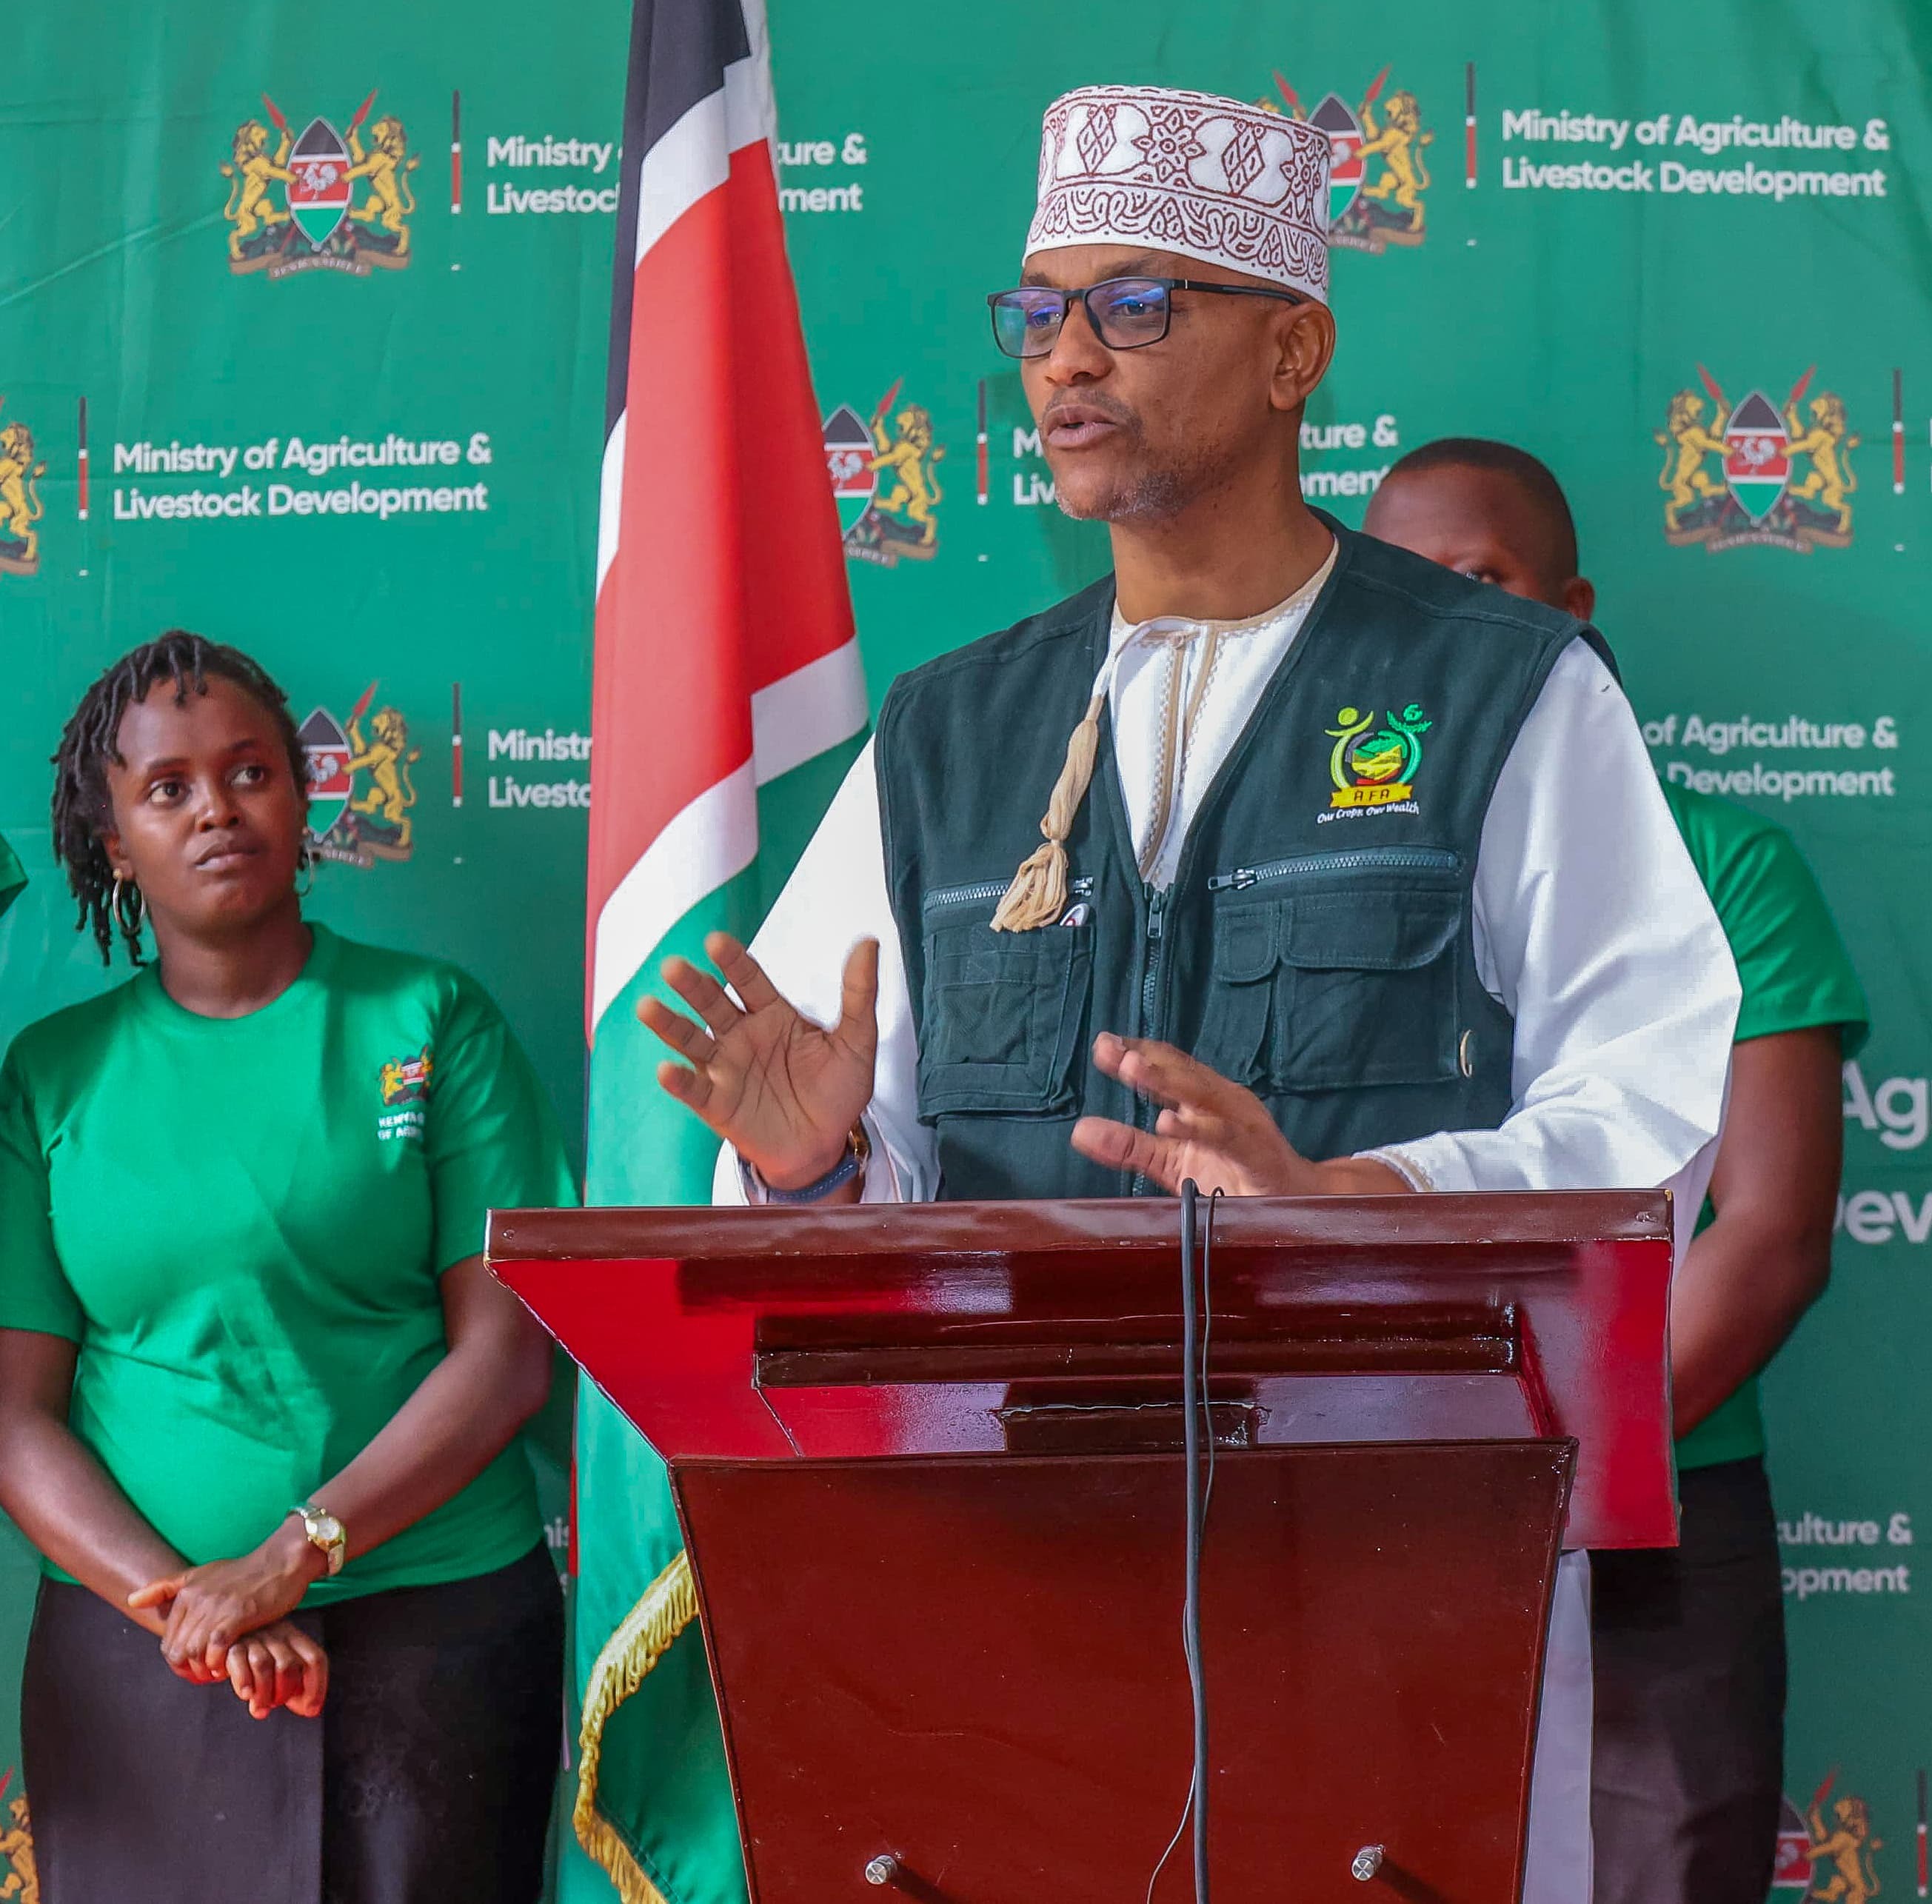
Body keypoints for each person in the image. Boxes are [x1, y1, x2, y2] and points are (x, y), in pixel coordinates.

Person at [639, 85, 1739, 1901]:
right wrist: (814, 1163)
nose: (1067, 359)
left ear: (1295, 350)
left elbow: (1650, 1103)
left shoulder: (1503, 691)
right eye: (1039, 313)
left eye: (1135, 306)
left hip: (1401, 1580)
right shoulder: (948, 734)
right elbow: (842, 1183)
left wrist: (1352, 1197)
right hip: (1006, 1576)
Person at [1365, 438, 1867, 1904]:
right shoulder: (1321, 887)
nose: (1446, 617)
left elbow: (1766, 1232)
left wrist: (1561, 1471)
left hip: (1661, 1507)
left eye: (1483, 578)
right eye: (1399, 588)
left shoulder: (1725, 864)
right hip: (1370, 1506)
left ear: (1570, 609)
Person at [0, 632, 575, 1904]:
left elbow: (505, 1360)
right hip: (139, 1656)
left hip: (434, 1634)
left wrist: (292, 1557)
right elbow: (12, 1417)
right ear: (111, 842)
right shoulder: (49, 1075)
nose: (216, 808)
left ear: (305, 796)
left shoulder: (433, 1019)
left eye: (250, 771)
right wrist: (190, 1610)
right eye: (167, 789)